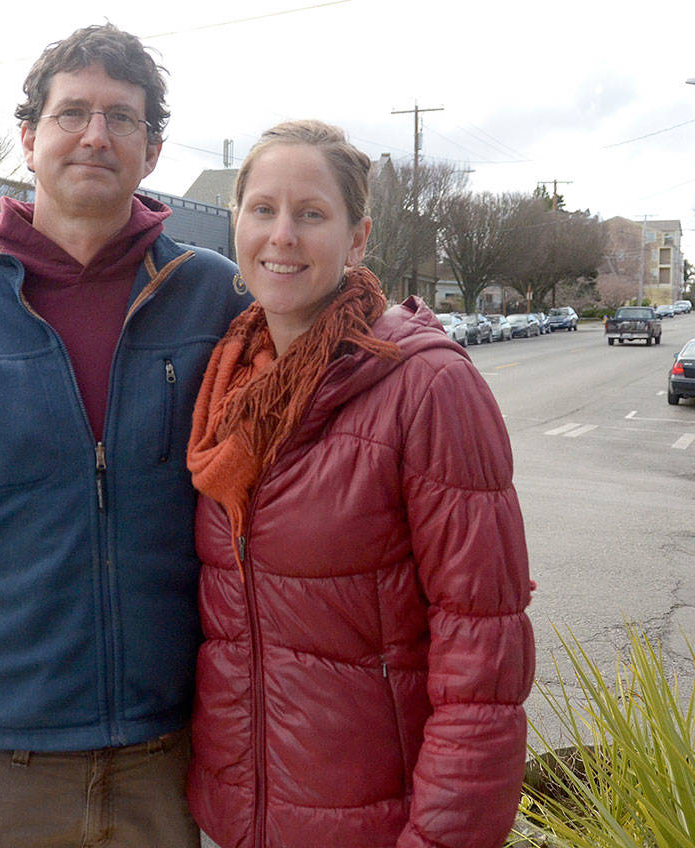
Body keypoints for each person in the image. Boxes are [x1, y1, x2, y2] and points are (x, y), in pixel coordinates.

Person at [0, 24, 248, 846]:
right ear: (29, 139)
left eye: (121, 117)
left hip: (172, 769)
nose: (95, 135)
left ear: (154, 147)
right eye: (72, 114)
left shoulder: (218, 302)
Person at [185, 120, 534, 848]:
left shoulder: (429, 386)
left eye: (311, 214)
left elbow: (483, 669)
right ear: (236, 223)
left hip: (376, 824)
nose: (282, 235)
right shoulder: (223, 385)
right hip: (233, 821)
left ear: (357, 238)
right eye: (263, 210)